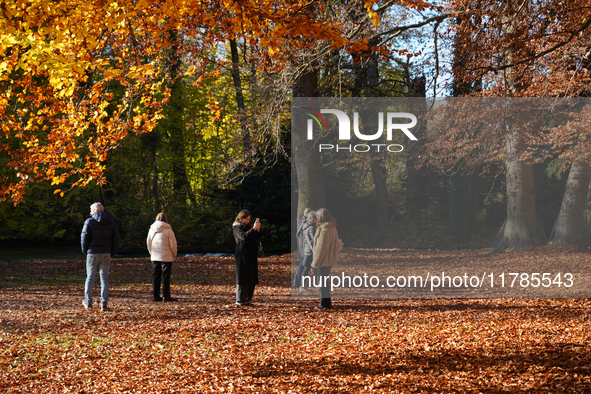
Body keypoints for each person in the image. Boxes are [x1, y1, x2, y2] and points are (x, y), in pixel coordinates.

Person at [81, 202, 121, 311]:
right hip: (106, 253)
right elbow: (116, 239)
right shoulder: (111, 223)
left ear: (96, 210)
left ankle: (88, 301)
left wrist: (85, 251)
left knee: (90, 277)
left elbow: (84, 238)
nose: (90, 212)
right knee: (104, 279)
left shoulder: (89, 221)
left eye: (91, 210)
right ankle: (103, 303)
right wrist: (112, 252)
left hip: (92, 253)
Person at [311, 208, 341, 310]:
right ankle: (326, 303)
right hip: (328, 260)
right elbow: (337, 244)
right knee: (324, 283)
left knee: (322, 284)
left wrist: (316, 262)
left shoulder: (324, 230)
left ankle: (323, 304)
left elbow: (321, 248)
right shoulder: (332, 227)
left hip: (323, 260)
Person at [232, 209, 261, 306]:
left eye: (249, 219)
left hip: (251, 254)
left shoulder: (248, 226)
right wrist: (253, 229)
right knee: (243, 277)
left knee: (252, 277)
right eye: (246, 219)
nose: (248, 221)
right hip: (242, 255)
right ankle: (240, 300)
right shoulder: (237, 227)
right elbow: (244, 236)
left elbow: (256, 237)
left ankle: (248, 299)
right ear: (241, 218)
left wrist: (257, 229)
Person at [147, 212, 178, 302]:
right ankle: (166, 296)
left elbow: (148, 243)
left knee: (155, 277)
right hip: (166, 257)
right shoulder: (168, 230)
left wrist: (151, 253)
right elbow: (173, 244)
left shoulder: (151, 230)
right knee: (166, 277)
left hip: (155, 256)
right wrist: (174, 254)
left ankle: (156, 296)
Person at [293, 210, 316, 289]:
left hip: (305, 249)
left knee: (305, 267)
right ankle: (300, 284)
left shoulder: (303, 225)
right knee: (312, 267)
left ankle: (298, 283)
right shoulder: (311, 226)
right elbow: (313, 239)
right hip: (309, 250)